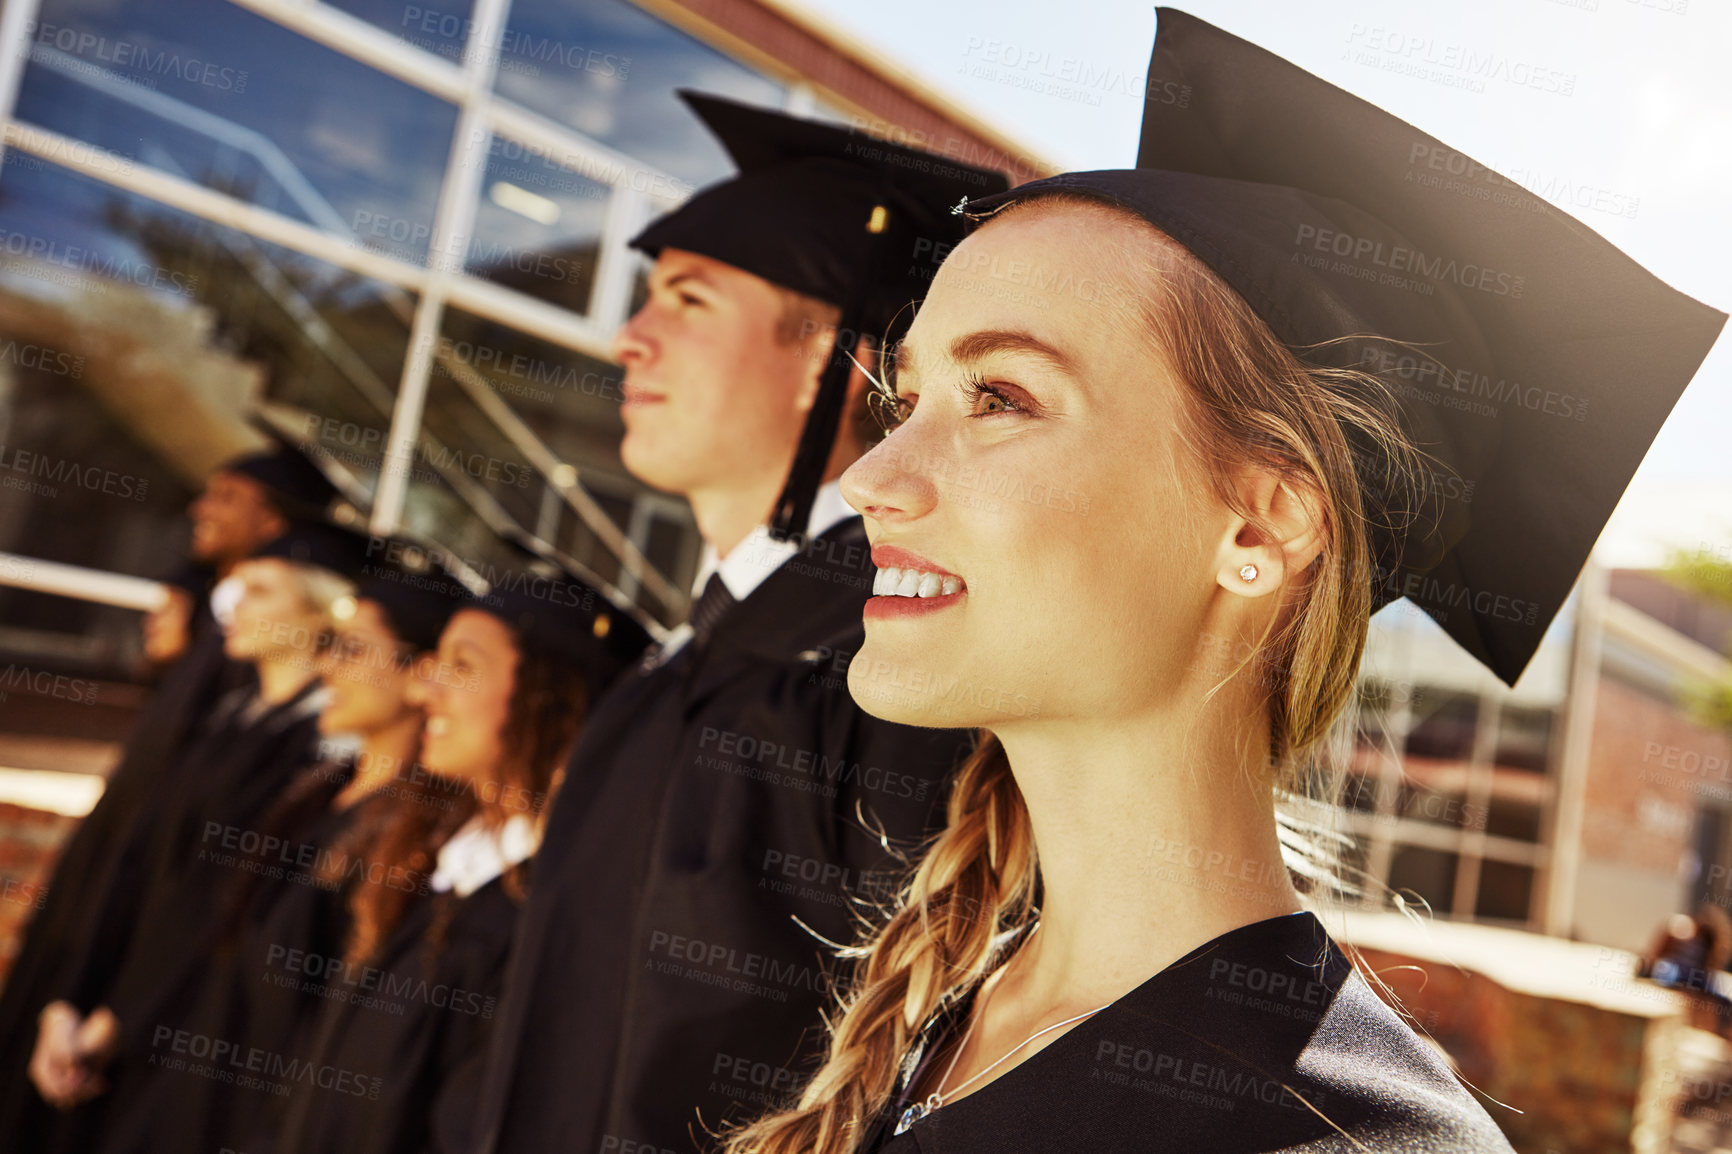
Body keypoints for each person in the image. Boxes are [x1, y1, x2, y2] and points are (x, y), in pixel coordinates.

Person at [722, 10, 1726, 1153]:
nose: (872, 477)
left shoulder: (1347, 1138)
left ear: (1259, 524)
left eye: (998, 397)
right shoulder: (959, 1015)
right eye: (908, 403)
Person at [468, 94, 1007, 1154]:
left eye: (686, 300)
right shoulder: (679, 673)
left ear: (824, 353)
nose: (627, 338)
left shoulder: (890, 672)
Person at [0, 443, 339, 1146]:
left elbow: (213, 898)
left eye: (263, 593)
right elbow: (136, 857)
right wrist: (71, 995)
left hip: (159, 1019)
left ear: (320, 614)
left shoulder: (306, 758)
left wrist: (115, 1015)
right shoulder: (230, 717)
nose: (236, 607)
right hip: (102, 979)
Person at [79, 569, 467, 1153]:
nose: (328, 665)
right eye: (331, 645)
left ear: (419, 674)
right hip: (175, 1095)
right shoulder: (315, 791)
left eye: (354, 648)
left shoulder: (410, 847)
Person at [274, 580, 648, 1154]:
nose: (423, 689)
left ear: (547, 695)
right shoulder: (431, 860)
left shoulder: (550, 914)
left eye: (462, 665)